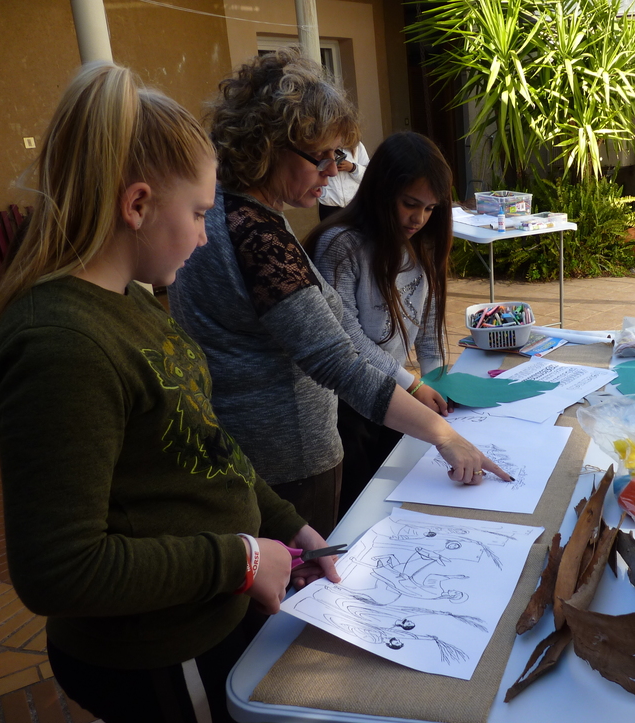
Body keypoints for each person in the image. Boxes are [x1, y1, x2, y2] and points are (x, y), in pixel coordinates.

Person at [0, 62, 336, 723]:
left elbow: (205, 445)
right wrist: (240, 559)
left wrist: (287, 525)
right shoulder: (63, 344)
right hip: (158, 653)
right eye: (200, 214)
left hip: (209, 617)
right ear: (138, 205)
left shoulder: (134, 305)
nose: (207, 235)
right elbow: (59, 570)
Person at [169, 50, 509, 540]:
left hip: (255, 455)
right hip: (285, 463)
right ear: (270, 146)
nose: (333, 171)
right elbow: (335, 358)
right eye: (322, 156)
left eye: (339, 156)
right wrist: (444, 436)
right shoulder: (256, 235)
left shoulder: (230, 212)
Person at [305, 131, 453, 519]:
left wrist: (439, 383)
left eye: (430, 208)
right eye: (410, 204)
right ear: (381, 191)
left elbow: (429, 328)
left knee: (400, 497)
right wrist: (413, 385)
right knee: (358, 508)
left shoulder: (424, 242)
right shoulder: (340, 245)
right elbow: (347, 338)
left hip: (395, 396)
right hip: (346, 405)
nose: (419, 218)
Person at [318, 140, 369, 221]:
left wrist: (353, 168)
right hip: (329, 203)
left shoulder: (357, 145)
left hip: (352, 204)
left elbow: (368, 176)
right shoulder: (323, 144)